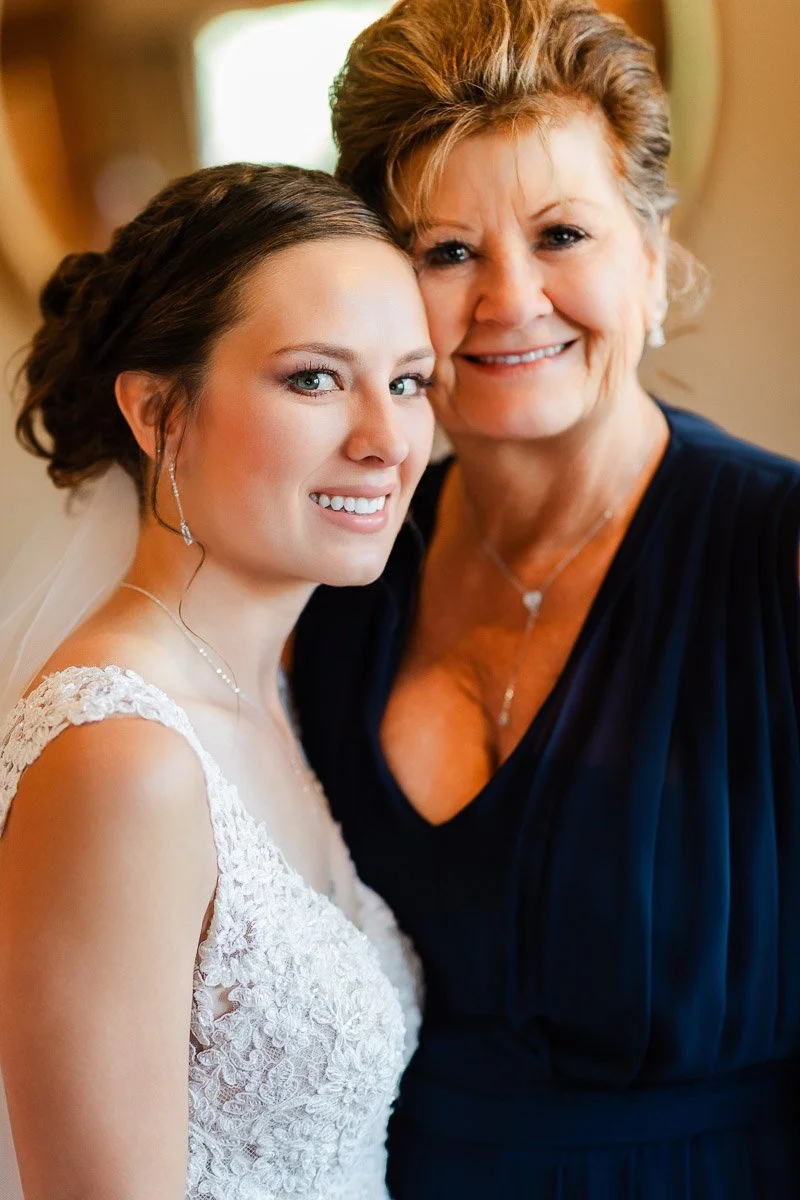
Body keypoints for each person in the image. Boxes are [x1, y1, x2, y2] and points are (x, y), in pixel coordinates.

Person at [290, 1, 800, 1196]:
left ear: (652, 253)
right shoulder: (341, 568)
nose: (509, 300)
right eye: (445, 251)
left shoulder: (773, 557)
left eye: (560, 233)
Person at [0, 162, 436, 1200]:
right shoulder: (121, 758)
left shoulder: (268, 693)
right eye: (314, 378)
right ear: (158, 413)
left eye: (408, 380)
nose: (385, 439)